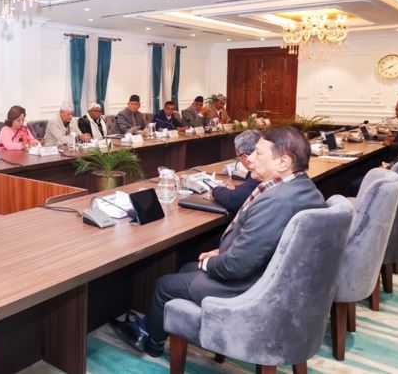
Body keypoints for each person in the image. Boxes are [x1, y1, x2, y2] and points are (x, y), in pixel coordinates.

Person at [112, 126, 325, 357]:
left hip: (249, 288)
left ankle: (151, 342)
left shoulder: (278, 201)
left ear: (283, 162)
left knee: (164, 285)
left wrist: (212, 261)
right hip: (270, 277)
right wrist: (222, 253)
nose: (250, 159)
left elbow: (236, 266)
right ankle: (171, 327)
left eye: (258, 153)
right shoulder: (305, 188)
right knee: (187, 268)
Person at [211, 129, 262, 211]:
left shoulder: (260, 172)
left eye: (238, 157)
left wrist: (215, 190)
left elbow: (233, 200)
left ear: (245, 157)